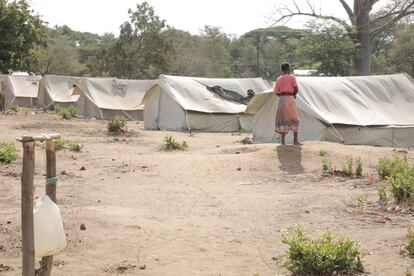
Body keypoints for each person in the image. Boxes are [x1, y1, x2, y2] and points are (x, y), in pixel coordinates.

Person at [273, 63, 301, 145]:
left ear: (282, 69)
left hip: (282, 99)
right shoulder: (292, 77)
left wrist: (282, 96)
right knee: (294, 118)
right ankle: (295, 141)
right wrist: (294, 95)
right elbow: (296, 88)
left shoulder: (279, 79)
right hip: (290, 97)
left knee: (283, 119)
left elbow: (276, 92)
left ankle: (283, 142)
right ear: (288, 68)